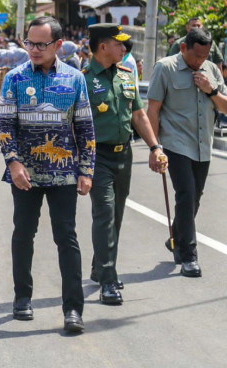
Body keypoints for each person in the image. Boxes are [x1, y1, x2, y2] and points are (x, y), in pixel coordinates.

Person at [0, 16, 95, 333]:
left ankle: (73, 310)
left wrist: (86, 170)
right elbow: (5, 126)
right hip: (25, 173)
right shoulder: (14, 78)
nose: (34, 49)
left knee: (66, 238)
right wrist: (13, 163)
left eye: (41, 44)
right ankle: (22, 298)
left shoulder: (75, 79)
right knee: (23, 235)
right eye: (30, 42)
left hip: (65, 174)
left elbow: (84, 127)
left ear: (57, 45)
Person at [83, 24, 165, 306]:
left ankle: (100, 266)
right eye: (119, 44)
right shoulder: (82, 80)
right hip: (97, 156)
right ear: (103, 47)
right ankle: (107, 279)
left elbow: (139, 115)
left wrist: (155, 147)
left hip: (123, 154)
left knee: (116, 214)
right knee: (104, 213)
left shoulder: (126, 76)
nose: (124, 49)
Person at [147, 28, 227, 277]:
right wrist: (155, 148)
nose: (200, 61)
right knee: (186, 194)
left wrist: (211, 89)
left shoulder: (212, 70)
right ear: (184, 48)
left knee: (195, 198)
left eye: (205, 55)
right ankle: (189, 256)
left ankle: (177, 235)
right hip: (176, 143)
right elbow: (153, 110)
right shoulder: (165, 68)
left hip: (203, 145)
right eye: (197, 56)